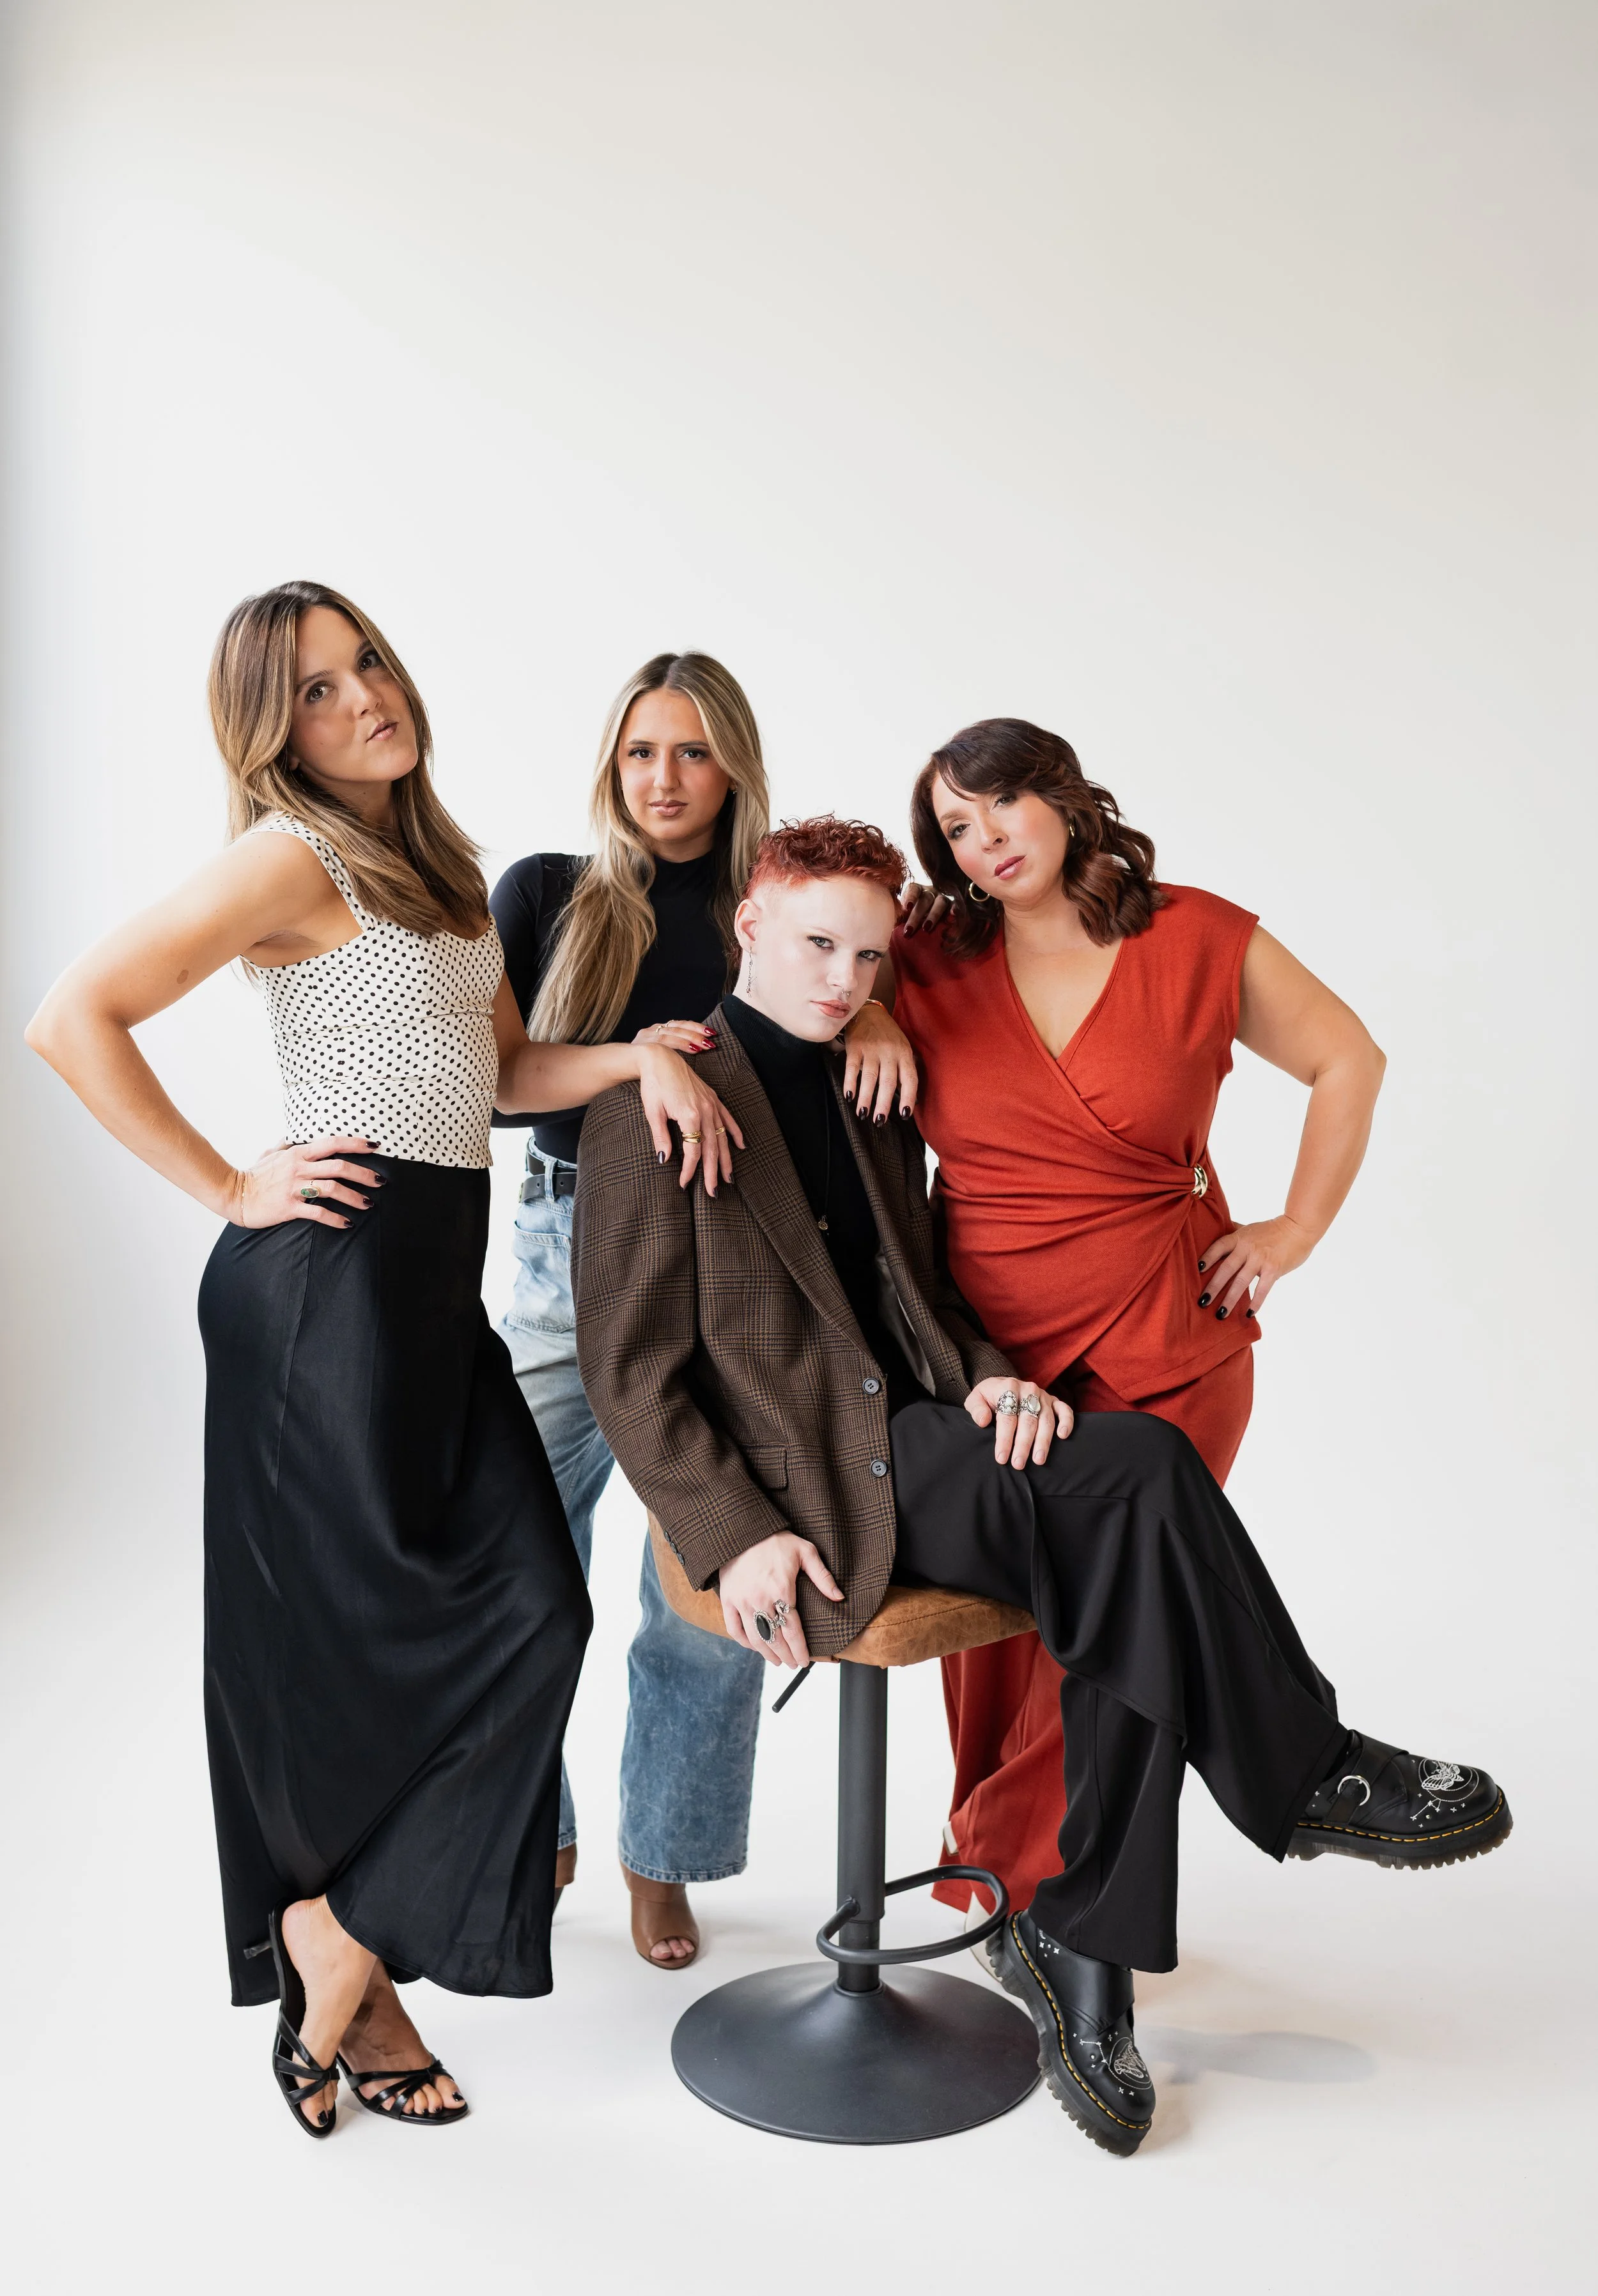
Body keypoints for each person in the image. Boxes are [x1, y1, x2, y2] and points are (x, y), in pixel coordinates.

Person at [570, 815, 1509, 2157]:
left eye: (867, 955)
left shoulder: (868, 1083)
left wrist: (990, 1378)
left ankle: (1088, 1949)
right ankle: (1293, 1771)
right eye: (816, 944)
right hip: (812, 1495)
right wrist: (735, 1534)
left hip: (927, 1436)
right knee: (1134, 1498)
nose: (842, 978)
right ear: (750, 932)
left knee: (1137, 1496)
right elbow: (632, 1369)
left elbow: (921, 1286)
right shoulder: (650, 1101)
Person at [24, 582, 737, 2139]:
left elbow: (497, 1075)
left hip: (430, 1292)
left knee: (525, 1610)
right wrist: (226, 1183)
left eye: (369, 665)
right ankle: (359, 1977)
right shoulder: (289, 852)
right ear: (274, 729)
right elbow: (74, 1013)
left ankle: (334, 1939)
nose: (364, 699)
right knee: (344, 1659)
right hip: (319, 1288)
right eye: (320, 689)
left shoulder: (447, 866)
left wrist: (638, 1055)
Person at [883, 718, 1388, 1920]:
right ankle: (1014, 1895)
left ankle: (1031, 1909)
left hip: (1173, 1342)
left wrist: (1293, 1232)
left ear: (1063, 796)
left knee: (1105, 1657)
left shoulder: (1198, 934)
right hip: (991, 1367)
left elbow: (1349, 1059)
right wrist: (863, 1015)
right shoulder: (925, 955)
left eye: (1000, 803)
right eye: (955, 826)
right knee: (997, 1655)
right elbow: (809, 979)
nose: (984, 838)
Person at [488, 652, 919, 1968]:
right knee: (509, 1566)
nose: (661, 778)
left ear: (731, 762)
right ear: (609, 765)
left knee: (717, 1569)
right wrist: (644, 1060)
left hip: (730, 1261)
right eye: (637, 752)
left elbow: (828, 985)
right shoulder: (552, 891)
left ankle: (661, 1855)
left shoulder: (769, 904)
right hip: (571, 1246)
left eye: (689, 751)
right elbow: (501, 1078)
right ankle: (529, 1820)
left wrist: (886, 1015)